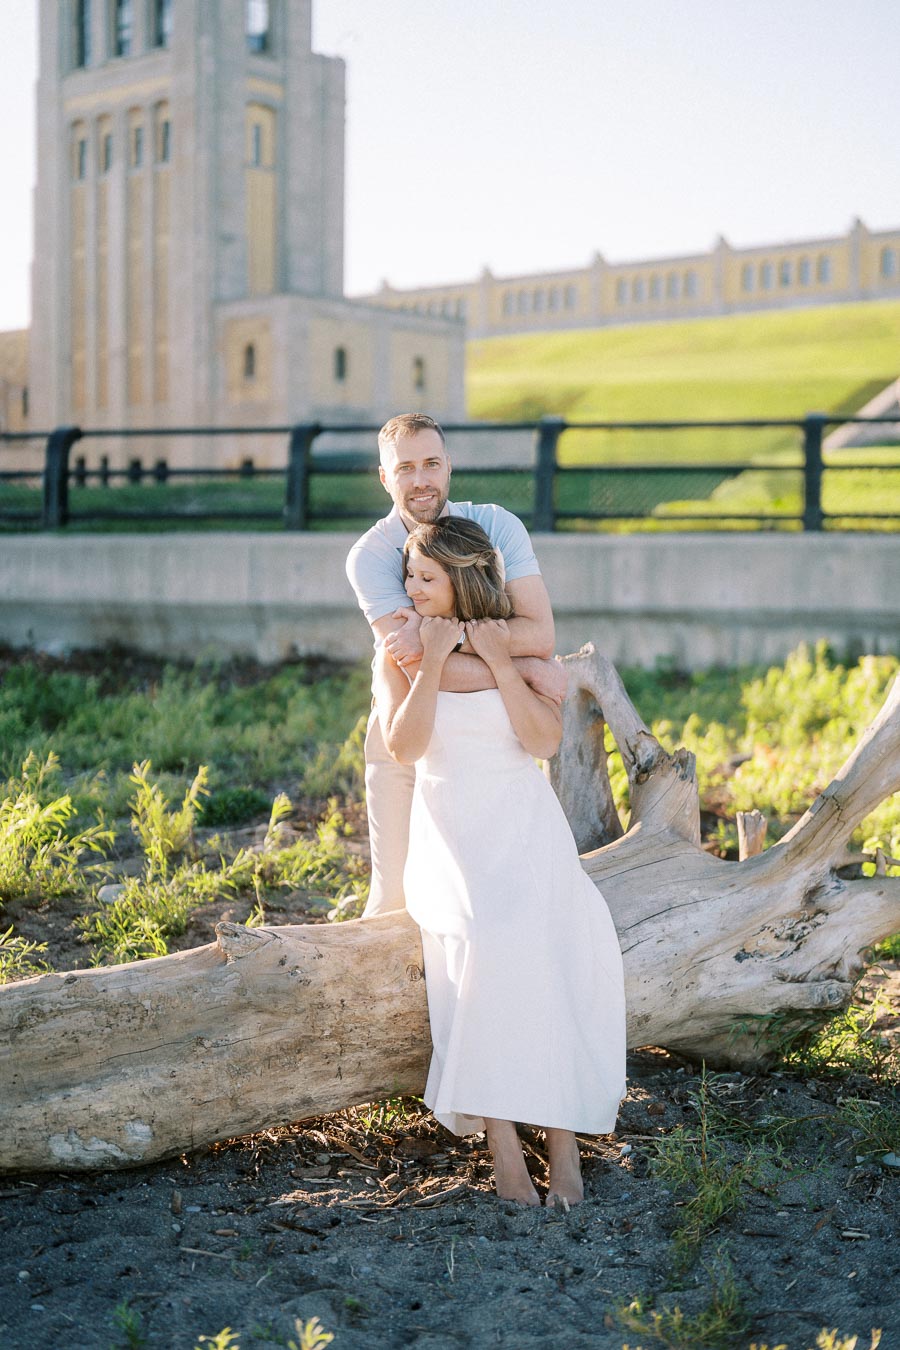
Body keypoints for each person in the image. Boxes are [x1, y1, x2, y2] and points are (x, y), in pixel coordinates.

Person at [373, 516, 626, 1206]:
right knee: (485, 946)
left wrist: (497, 661)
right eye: (409, 576)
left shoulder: (505, 647)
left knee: (546, 950)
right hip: (452, 835)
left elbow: (543, 743)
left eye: (425, 577)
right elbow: (405, 747)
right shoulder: (399, 653)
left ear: (460, 579)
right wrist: (430, 661)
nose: (411, 588)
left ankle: (564, 1146)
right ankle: (504, 1148)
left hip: (525, 829)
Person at [346, 413, 567, 920]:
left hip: (495, 729)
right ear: (384, 477)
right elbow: (415, 666)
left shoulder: (497, 526)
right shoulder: (371, 555)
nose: (420, 479)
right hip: (413, 719)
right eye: (405, 468)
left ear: (449, 466)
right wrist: (521, 669)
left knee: (506, 893)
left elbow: (540, 634)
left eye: (430, 463)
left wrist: (451, 641)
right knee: (395, 901)